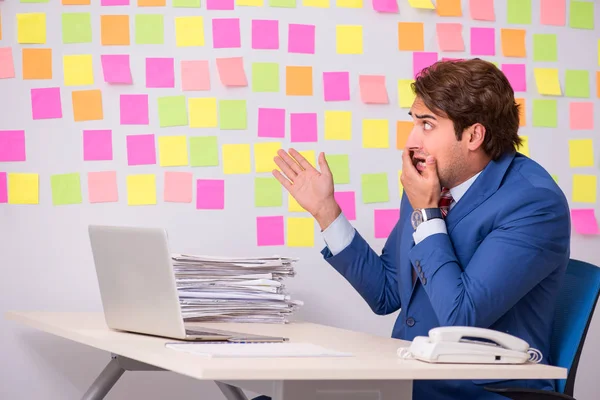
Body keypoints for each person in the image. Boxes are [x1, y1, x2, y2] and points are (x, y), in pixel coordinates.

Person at [266, 58, 571, 400]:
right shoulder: (431, 185)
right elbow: (386, 293)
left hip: (476, 393)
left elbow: (461, 315)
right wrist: (326, 212)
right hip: (407, 380)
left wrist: (427, 213)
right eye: (413, 122)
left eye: (427, 125)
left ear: (474, 135)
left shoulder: (533, 203)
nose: (411, 141)